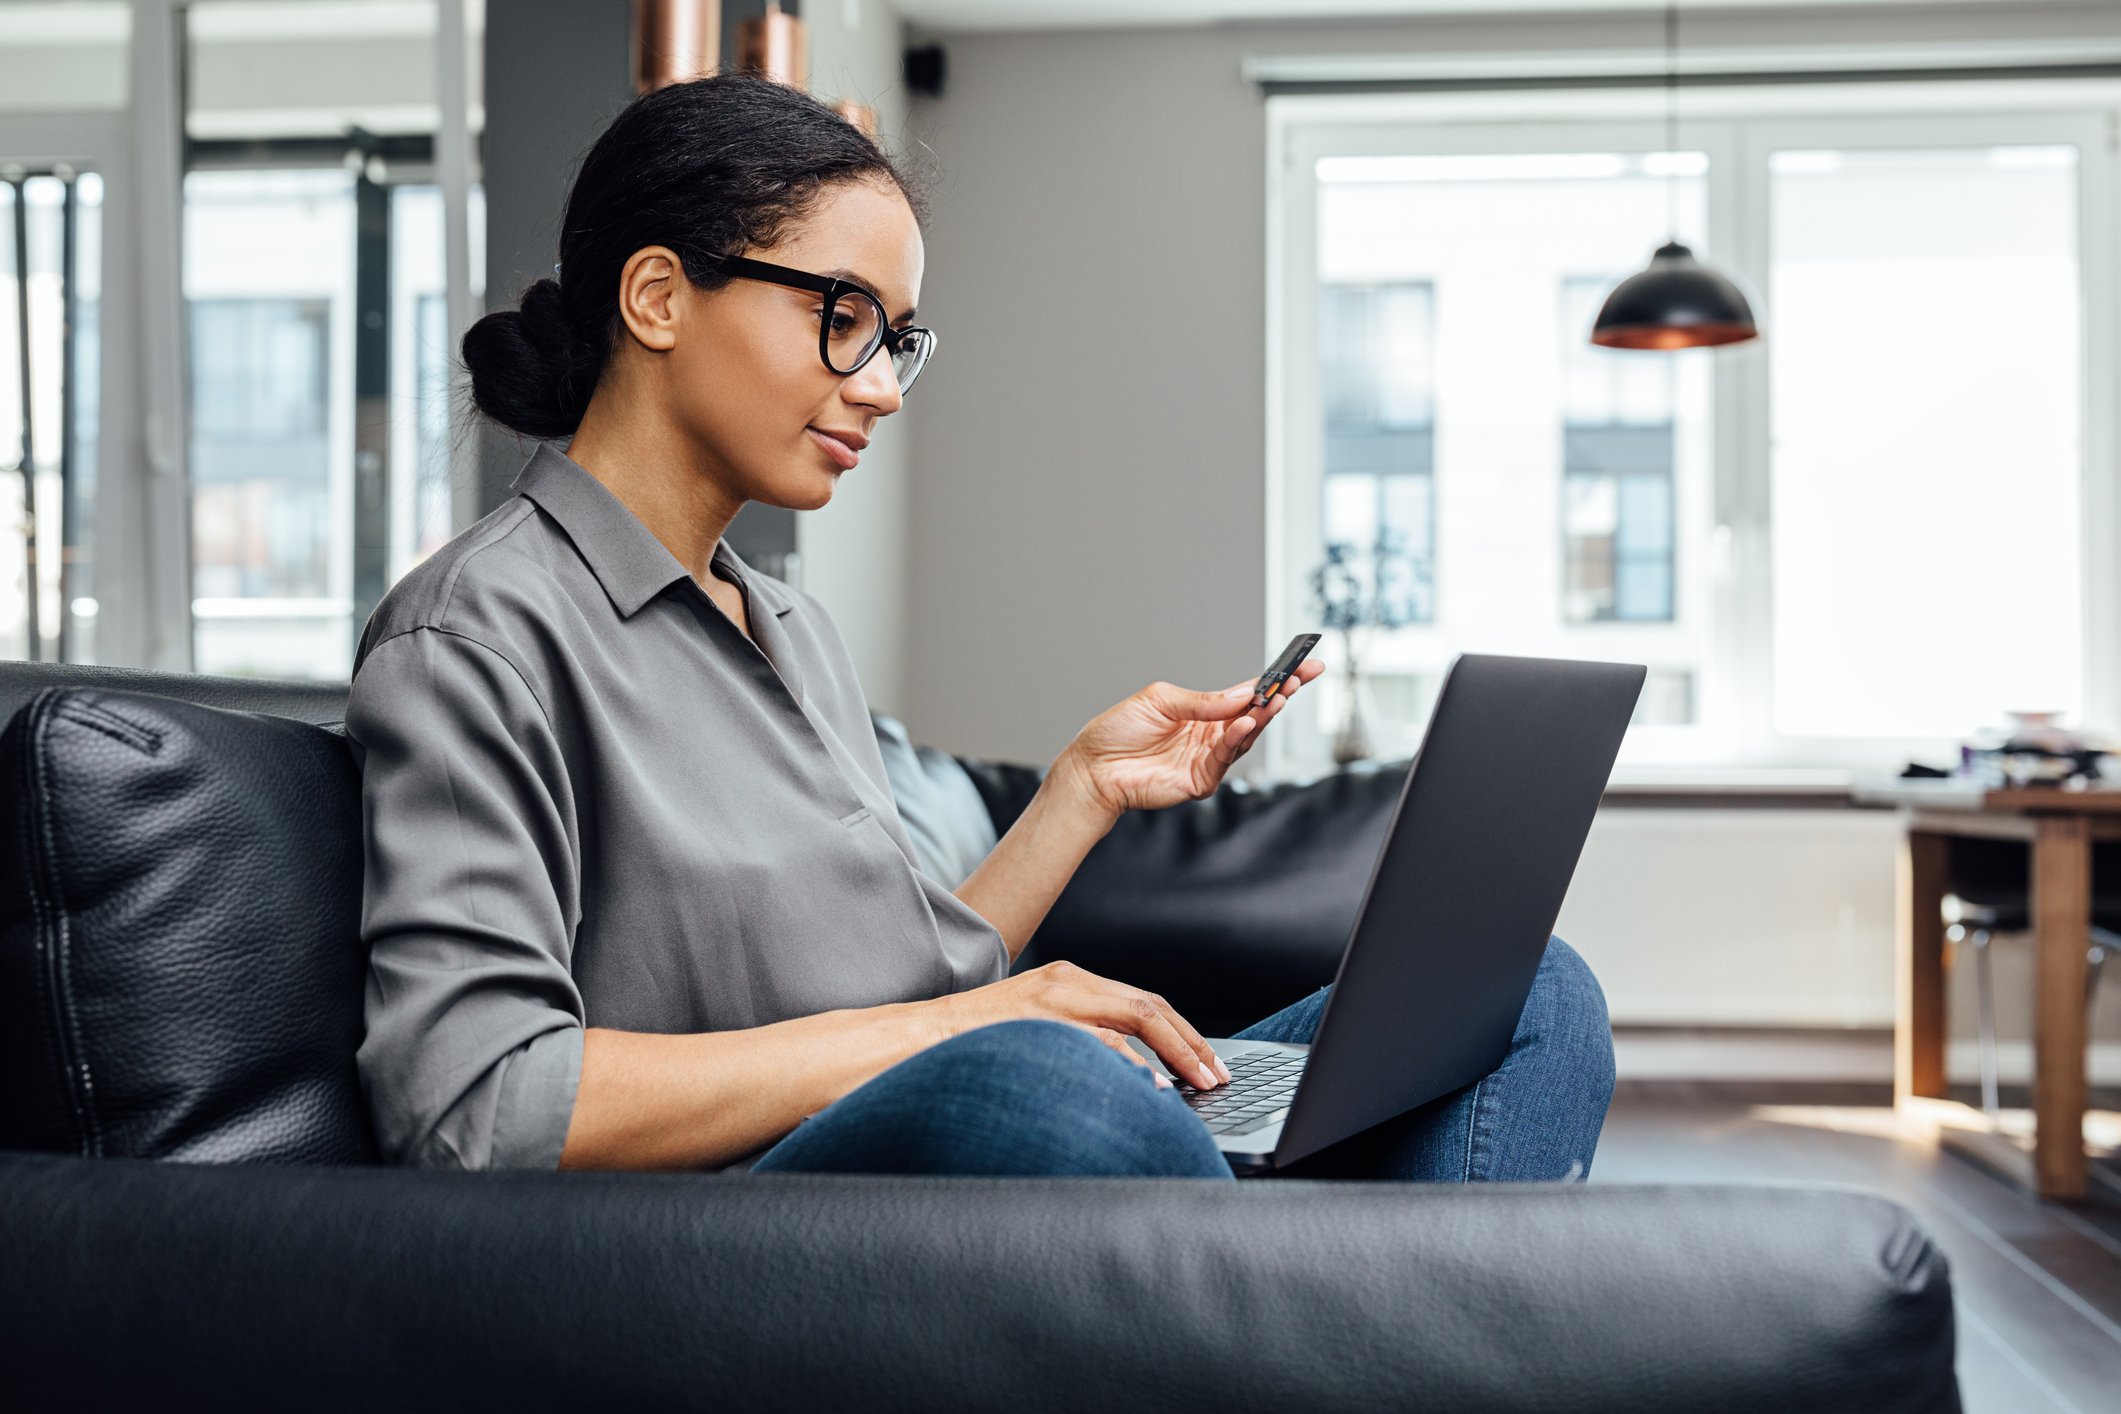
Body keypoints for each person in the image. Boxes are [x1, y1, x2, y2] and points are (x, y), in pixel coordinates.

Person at [346, 71, 1614, 1184]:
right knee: (1045, 1081)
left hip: (913, 1128)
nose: (885, 387)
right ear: (660, 297)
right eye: (842, 317)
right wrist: (975, 1033)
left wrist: (1082, 792)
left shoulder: (787, 622)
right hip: (733, 1220)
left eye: (898, 338)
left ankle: (1318, 1305)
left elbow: (913, 988)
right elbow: (479, 1102)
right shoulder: (475, 638)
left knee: (1528, 997)